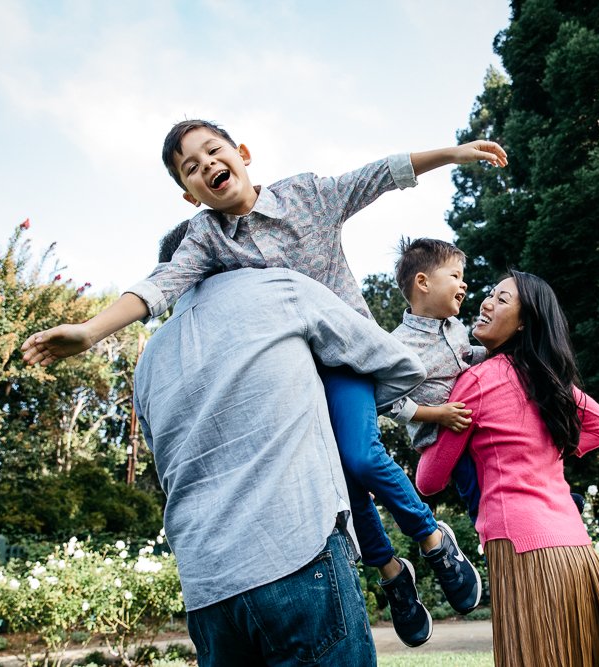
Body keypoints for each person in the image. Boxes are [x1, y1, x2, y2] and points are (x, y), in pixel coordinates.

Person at [22, 120, 505, 646]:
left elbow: (378, 175)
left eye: (212, 151)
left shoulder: (305, 195)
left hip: (342, 358)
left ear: (241, 153)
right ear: (189, 195)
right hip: (287, 379)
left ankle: (434, 539)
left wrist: (453, 154)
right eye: (191, 167)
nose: (206, 165)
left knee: (361, 458)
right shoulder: (206, 237)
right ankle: (392, 575)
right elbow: (164, 284)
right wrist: (90, 331)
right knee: (339, 487)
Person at [134, 231, 428, 664]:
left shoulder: (148, 363)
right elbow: (402, 364)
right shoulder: (279, 288)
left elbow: (162, 458)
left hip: (206, 586)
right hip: (296, 551)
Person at [416, 269, 599, 667]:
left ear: (524, 322)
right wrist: (547, 450)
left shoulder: (476, 382)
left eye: (502, 299)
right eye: (490, 294)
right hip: (575, 546)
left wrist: (429, 427)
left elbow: (428, 481)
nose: (486, 302)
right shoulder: (549, 381)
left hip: (519, 544)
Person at [389, 237, 486, 523]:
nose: (464, 284)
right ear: (423, 282)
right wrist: (438, 415)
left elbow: (466, 357)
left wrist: (494, 353)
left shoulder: (455, 328)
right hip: (442, 435)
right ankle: (486, 522)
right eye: (455, 276)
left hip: (470, 418)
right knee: (474, 484)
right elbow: (391, 404)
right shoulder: (399, 345)